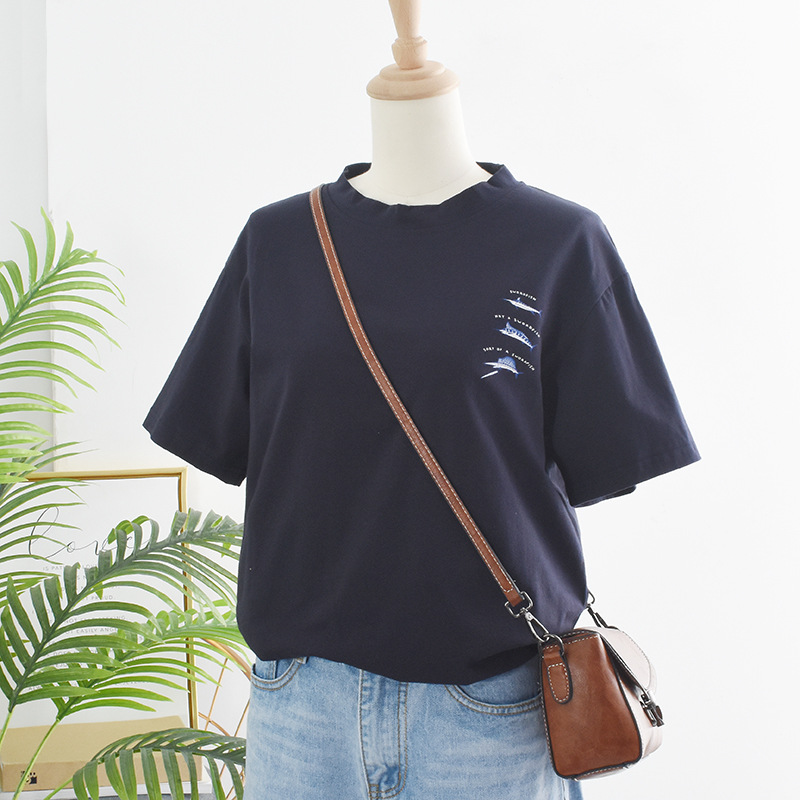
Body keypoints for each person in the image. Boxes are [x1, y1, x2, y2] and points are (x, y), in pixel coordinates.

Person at [143, 7, 700, 799]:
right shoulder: (276, 244)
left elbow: (604, 453)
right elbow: (217, 432)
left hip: (494, 713)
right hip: (303, 710)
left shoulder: (559, 243)